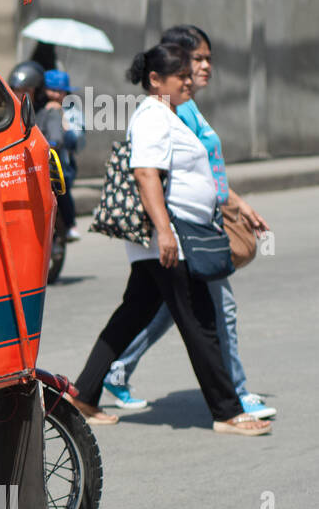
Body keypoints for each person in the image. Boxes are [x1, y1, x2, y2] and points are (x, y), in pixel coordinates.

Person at [67, 43, 269, 435]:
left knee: (131, 317)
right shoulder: (152, 116)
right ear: (156, 80)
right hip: (173, 237)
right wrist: (164, 232)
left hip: (171, 236)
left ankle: (84, 395)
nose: (190, 81)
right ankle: (227, 411)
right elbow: (146, 174)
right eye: (182, 75)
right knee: (200, 322)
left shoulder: (167, 114)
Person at [37, 69, 83, 241]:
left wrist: (64, 123)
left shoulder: (72, 110)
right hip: (42, 160)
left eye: (60, 91)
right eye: (52, 90)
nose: (56, 95)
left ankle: (71, 225)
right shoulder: (40, 108)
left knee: (63, 190)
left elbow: (77, 140)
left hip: (62, 162)